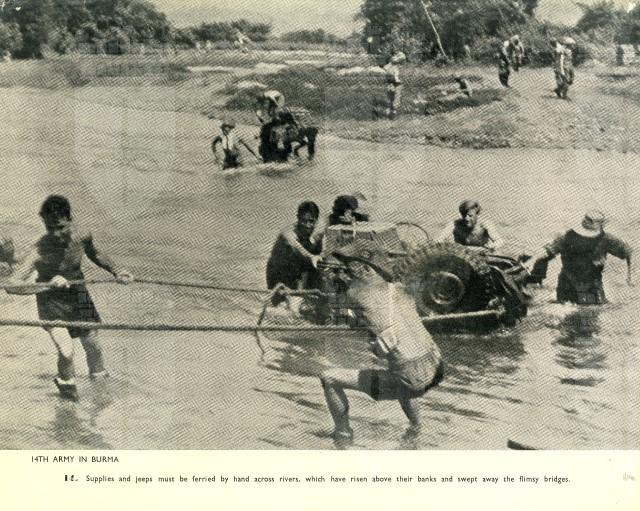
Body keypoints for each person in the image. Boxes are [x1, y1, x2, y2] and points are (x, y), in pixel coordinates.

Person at [5, 195, 133, 400]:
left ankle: (101, 394)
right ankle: (67, 394)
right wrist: (48, 285)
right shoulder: (38, 250)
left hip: (78, 293)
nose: (56, 234)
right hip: (51, 300)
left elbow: (95, 254)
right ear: (43, 222)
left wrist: (117, 271)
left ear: (70, 220)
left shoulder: (82, 236)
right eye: (50, 228)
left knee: (94, 347)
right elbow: (11, 286)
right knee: (66, 351)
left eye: (61, 227)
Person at [320, 242, 444, 448]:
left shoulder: (356, 294)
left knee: (329, 378)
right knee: (399, 365)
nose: (346, 271)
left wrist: (329, 290)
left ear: (367, 268)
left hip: (410, 376)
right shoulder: (400, 289)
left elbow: (334, 314)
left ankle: (343, 433)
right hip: (435, 365)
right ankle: (415, 429)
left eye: (350, 266)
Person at [524, 210, 633, 304]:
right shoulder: (605, 239)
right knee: (588, 313)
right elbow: (627, 251)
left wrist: (531, 262)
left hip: (570, 286)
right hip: (584, 287)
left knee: (568, 309)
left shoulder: (568, 236)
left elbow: (547, 252)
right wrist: (628, 278)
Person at [266, 201, 323, 305]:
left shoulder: (318, 233)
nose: (307, 225)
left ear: (316, 220)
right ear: (298, 218)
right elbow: (296, 247)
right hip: (279, 273)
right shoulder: (288, 233)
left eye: (311, 221)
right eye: (303, 221)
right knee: (283, 304)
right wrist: (311, 256)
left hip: (299, 271)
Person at [436, 200, 503, 250]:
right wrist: (439, 242)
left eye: (470, 216)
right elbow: (440, 239)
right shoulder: (455, 224)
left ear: (477, 214)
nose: (467, 219)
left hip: (481, 254)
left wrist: (493, 246)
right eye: (464, 216)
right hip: (461, 255)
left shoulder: (485, 224)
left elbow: (499, 241)